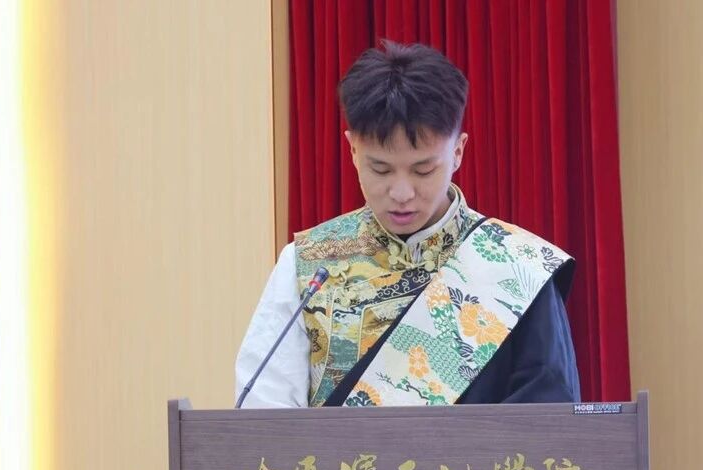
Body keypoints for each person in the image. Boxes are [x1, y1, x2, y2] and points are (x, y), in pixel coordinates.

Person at [236, 40, 580, 408]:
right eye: (380, 169)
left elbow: (548, 421)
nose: (401, 193)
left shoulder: (519, 270)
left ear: (458, 151)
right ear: (352, 150)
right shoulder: (308, 266)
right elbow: (264, 418)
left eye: (423, 170)